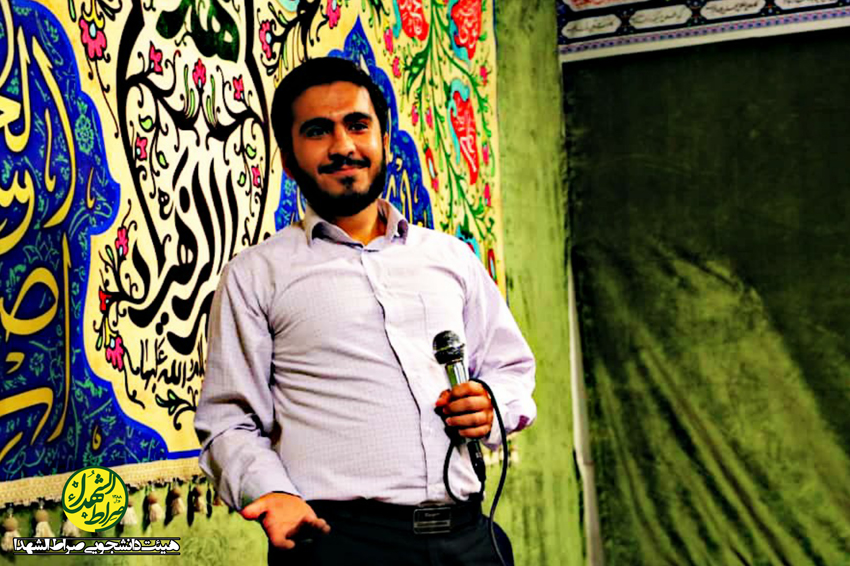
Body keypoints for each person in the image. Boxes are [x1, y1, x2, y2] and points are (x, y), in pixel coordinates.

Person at [194, 57, 536, 566]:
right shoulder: (256, 275)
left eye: (357, 125)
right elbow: (228, 420)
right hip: (340, 547)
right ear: (288, 159)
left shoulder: (450, 258)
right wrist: (273, 494)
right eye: (317, 131)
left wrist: (491, 403)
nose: (343, 146)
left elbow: (511, 370)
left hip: (469, 540)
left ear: (384, 141)